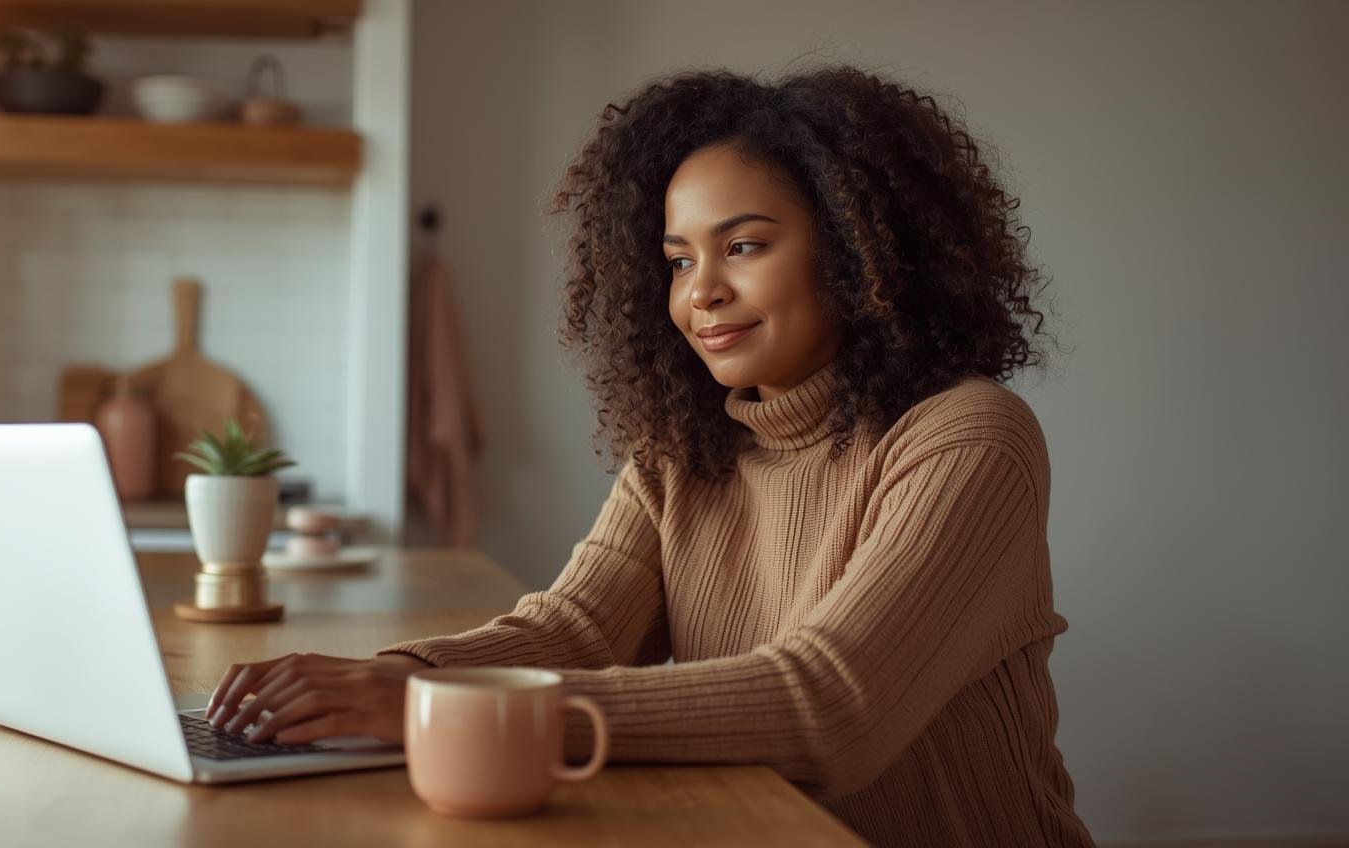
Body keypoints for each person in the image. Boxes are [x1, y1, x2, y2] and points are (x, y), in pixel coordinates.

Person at [204, 64, 1094, 847]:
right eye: (677, 260)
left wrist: (435, 709)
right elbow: (576, 631)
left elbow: (830, 708)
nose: (701, 292)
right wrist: (394, 677)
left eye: (743, 246)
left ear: (864, 256)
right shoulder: (686, 447)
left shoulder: (968, 437)